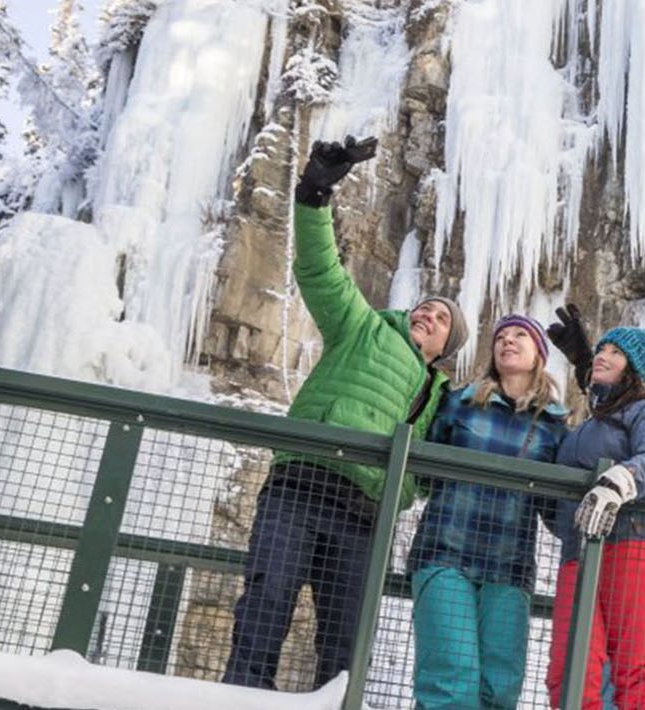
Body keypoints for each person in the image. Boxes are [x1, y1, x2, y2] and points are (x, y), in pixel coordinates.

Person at [222, 135, 468, 691]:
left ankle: (336, 704)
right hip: (301, 483)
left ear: (446, 348)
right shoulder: (363, 329)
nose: (428, 314)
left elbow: (435, 468)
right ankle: (240, 696)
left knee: (346, 637)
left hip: (363, 514)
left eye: (442, 319)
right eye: (424, 307)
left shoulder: (440, 396)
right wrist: (315, 192)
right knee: (266, 599)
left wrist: (399, 492)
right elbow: (320, 271)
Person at [408, 315, 571, 709]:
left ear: (539, 356)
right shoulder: (459, 401)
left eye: (519, 335)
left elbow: (552, 507)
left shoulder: (554, 424)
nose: (507, 341)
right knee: (451, 678)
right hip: (446, 549)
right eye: (500, 336)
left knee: (500, 686)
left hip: (509, 565)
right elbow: (423, 468)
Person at [542, 324, 645, 710]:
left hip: (639, 543)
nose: (601, 355)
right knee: (569, 669)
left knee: (635, 668)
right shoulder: (584, 426)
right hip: (579, 551)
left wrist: (621, 480)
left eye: (615, 352)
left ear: (635, 369)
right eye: (601, 348)